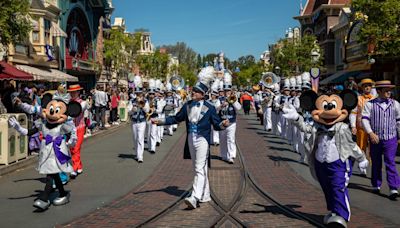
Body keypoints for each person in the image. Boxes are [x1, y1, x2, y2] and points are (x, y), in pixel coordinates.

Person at [153, 66, 229, 209]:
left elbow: (217, 125)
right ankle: (205, 194)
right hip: (190, 138)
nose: (193, 92)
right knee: (198, 167)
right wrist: (161, 122)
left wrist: (223, 124)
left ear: (203, 94)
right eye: (193, 90)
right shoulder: (187, 105)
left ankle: (194, 197)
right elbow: (176, 118)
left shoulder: (210, 107)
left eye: (196, 91)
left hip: (203, 139)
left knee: (200, 167)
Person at [361, 80, 400, 200]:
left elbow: (399, 121)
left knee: (390, 162)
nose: (389, 92)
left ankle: (393, 188)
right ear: (379, 91)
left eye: (390, 90)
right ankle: (376, 184)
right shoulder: (370, 104)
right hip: (376, 138)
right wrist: (370, 133)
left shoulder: (395, 104)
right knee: (376, 162)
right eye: (386, 90)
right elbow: (365, 120)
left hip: (391, 137)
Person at [350, 79, 375, 167]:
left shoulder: (375, 99)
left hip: (373, 128)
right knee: (361, 146)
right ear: (362, 88)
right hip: (361, 127)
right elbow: (353, 113)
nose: (367, 87)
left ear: (371, 87)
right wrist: (353, 126)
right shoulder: (358, 99)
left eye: (369, 86)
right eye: (365, 86)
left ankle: (372, 163)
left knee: (373, 147)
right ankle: (362, 165)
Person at [68, 84, 88, 179]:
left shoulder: (83, 103)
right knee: (73, 149)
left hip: (79, 128)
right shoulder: (68, 102)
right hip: (70, 128)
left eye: (74, 92)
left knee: (76, 148)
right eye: (71, 92)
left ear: (78, 92)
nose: (72, 94)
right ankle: (79, 165)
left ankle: (74, 169)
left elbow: (78, 111)